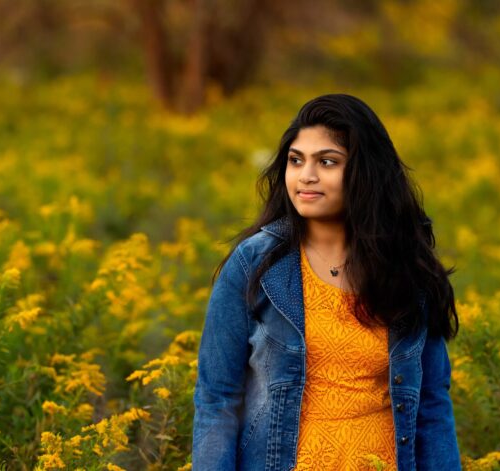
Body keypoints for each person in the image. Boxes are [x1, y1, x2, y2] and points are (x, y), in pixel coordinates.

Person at [192, 94, 461, 470]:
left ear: (366, 172)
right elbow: (217, 399)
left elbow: (431, 404)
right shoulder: (254, 264)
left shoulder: (407, 270)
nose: (307, 176)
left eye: (328, 162)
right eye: (296, 160)